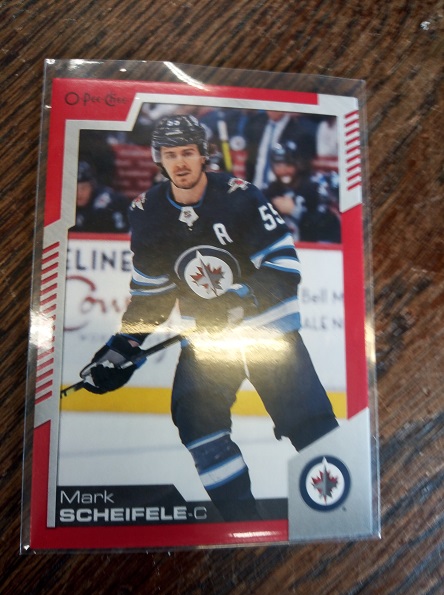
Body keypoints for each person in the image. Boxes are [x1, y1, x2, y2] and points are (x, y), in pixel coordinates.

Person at [79, 115, 338, 521]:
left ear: (204, 155)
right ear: (158, 159)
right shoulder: (147, 212)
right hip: (209, 339)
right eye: (170, 154)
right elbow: (150, 296)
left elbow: (285, 266)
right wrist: (122, 347)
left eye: (187, 152)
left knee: (310, 424)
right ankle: (243, 525)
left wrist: (239, 298)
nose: (180, 162)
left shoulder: (241, 196)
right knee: (196, 420)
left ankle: (339, 510)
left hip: (268, 332)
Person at [266, 141, 341, 243]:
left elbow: (327, 227)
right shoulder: (271, 191)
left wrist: (295, 211)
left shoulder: (314, 188)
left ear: (298, 164)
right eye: (278, 165)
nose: (284, 170)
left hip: (314, 248)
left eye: (288, 164)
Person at [73, 161, 131, 233]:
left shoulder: (109, 202)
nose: (79, 193)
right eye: (75, 188)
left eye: (83, 188)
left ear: (92, 186)